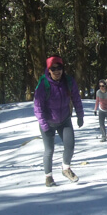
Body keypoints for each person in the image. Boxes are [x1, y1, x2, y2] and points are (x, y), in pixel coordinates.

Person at [33, 55, 85, 187]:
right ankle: (48, 177)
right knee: (49, 150)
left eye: (59, 68)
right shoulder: (43, 85)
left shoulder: (68, 81)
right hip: (48, 122)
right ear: (49, 70)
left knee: (70, 145)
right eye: (53, 68)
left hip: (64, 120)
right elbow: (37, 106)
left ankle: (66, 168)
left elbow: (76, 98)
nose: (57, 71)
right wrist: (44, 125)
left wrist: (80, 115)